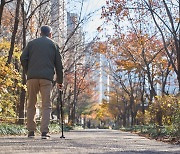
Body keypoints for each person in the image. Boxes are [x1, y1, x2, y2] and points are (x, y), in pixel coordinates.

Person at [20, 25, 63, 139]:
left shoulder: (31, 43)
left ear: (40, 33)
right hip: (46, 78)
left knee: (31, 104)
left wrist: (28, 71)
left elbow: (23, 58)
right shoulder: (54, 45)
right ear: (50, 34)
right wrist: (60, 81)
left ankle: (31, 131)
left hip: (32, 77)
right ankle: (44, 132)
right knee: (46, 105)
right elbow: (59, 65)